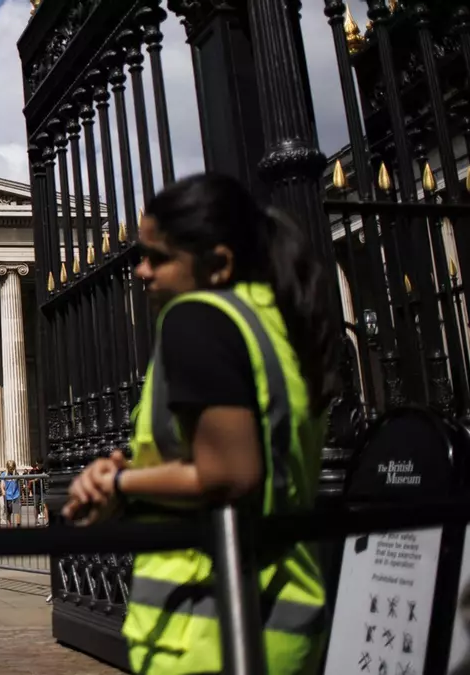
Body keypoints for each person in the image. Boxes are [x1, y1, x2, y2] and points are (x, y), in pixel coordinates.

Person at [63, 174, 336, 675]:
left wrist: (119, 483)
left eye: (158, 257)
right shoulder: (272, 321)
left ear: (218, 263)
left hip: (210, 621)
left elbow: (230, 474)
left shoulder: (198, 319)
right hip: (280, 609)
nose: (141, 271)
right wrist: (136, 470)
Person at [2, 460, 22, 527]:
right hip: (7, 496)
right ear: (7, 468)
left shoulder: (16, 474)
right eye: (10, 469)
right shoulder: (3, 474)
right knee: (8, 513)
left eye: (13, 469)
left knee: (17, 511)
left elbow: (19, 485)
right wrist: (3, 491)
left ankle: (18, 526)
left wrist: (21, 494)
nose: (11, 470)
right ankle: (9, 526)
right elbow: (2, 485)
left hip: (16, 495)